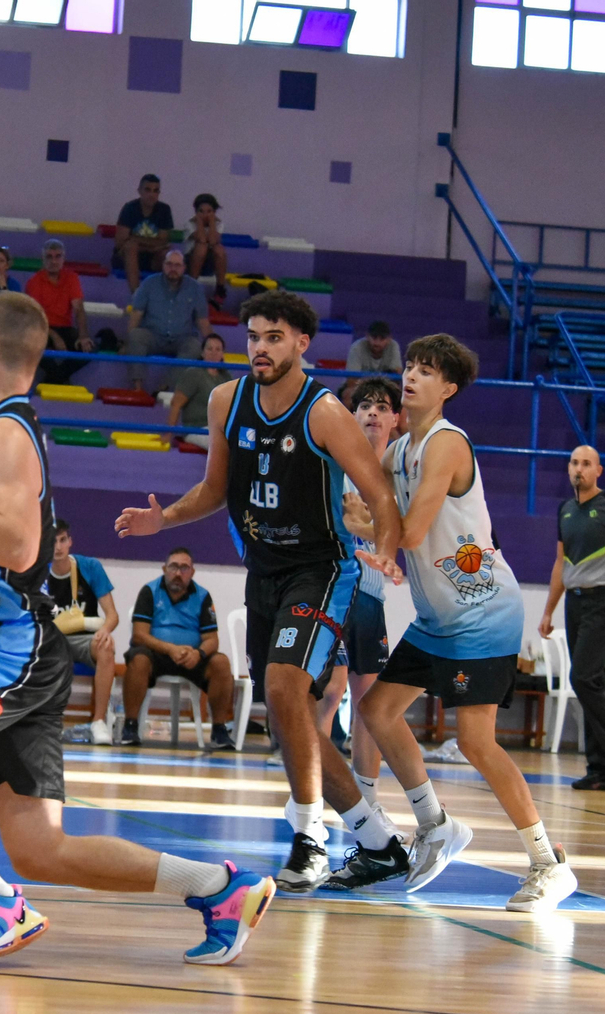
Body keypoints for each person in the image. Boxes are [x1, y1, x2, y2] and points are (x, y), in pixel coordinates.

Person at [0, 291, 276, 967]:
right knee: (42, 849)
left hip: (0, 647)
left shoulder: (1, 435)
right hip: (11, 645)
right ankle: (220, 888)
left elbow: (14, 545)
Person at [115, 289, 404, 895]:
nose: (260, 348)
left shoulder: (325, 413)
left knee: (280, 688)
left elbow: (378, 489)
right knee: (287, 713)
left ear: (302, 343)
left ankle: (310, 840)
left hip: (323, 568)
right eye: (253, 337)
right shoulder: (226, 399)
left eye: (273, 337)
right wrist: (162, 519)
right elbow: (214, 488)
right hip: (265, 569)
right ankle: (378, 842)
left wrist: (388, 544)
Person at [336, 335, 578, 911]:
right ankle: (435, 824)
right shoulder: (400, 451)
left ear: (448, 389)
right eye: (410, 366)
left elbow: (411, 531)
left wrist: (370, 531)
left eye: (426, 371)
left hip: (483, 613)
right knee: (375, 710)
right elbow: (369, 493)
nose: (412, 376)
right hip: (438, 616)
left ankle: (548, 862)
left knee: (475, 740)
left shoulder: (445, 444)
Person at [539, 445, 605, 792]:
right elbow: (559, 564)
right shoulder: (565, 509)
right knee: (591, 682)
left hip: (604, 601)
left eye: (586, 464)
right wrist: (548, 610)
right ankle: (600, 767)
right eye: (574, 462)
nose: (578, 469)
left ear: (598, 471)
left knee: (582, 677)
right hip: (575, 603)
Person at [329, 378, 401, 818]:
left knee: (370, 704)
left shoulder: (402, 476)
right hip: (333, 593)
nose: (373, 412)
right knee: (328, 692)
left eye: (382, 406)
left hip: (372, 602)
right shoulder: (336, 465)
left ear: (396, 419)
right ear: (352, 416)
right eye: (365, 406)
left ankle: (367, 800)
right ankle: (312, 798)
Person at [117, 548, 234, 750]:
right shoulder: (149, 591)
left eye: (184, 568)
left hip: (192, 657)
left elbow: (212, 640)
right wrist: (170, 649)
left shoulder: (203, 596)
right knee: (138, 660)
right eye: (173, 567)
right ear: (164, 569)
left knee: (221, 663)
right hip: (157, 655)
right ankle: (130, 726)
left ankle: (219, 730)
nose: (178, 573)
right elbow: (139, 635)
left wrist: (199, 654)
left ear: (192, 572)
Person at [49, 518, 120, 745]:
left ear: (70, 542)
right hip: (49, 641)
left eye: (62, 540)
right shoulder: (35, 572)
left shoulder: (89, 567)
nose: (58, 547)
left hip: (83, 640)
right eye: (52, 541)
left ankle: (98, 722)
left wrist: (105, 630)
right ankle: (46, 722)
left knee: (106, 647)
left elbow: (112, 616)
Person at [121, 249, 211, 391]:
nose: (173, 268)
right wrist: (127, 343)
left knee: (195, 346)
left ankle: (164, 388)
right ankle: (138, 388)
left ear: (183, 268)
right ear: (163, 265)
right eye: (169, 264)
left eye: (177, 265)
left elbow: (202, 320)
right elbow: (136, 314)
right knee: (136, 336)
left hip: (182, 338)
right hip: (153, 336)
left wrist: (212, 346)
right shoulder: (149, 284)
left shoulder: (195, 288)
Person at [24, 239, 94, 386]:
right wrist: (55, 337)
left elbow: (79, 309)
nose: (54, 261)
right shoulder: (34, 281)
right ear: (43, 259)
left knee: (90, 349)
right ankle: (61, 379)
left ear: (63, 258)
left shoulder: (72, 278)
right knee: (29, 346)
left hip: (65, 328)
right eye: (49, 256)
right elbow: (35, 317)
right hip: (42, 327)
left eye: (58, 256)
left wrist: (83, 336)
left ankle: (54, 379)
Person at [167, 333, 231, 447]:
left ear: (222, 354)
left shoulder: (226, 376)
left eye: (218, 349)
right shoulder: (194, 373)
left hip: (222, 428)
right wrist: (168, 434)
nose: (213, 352)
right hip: (197, 429)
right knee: (222, 445)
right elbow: (176, 404)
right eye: (209, 349)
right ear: (202, 353)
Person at [113, 174, 175, 293]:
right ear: (139, 191)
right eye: (147, 190)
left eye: (156, 191)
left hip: (152, 258)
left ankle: (167, 297)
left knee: (167, 253)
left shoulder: (164, 210)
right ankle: (136, 296)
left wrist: (135, 239)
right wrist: (151, 246)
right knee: (131, 247)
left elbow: (163, 241)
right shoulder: (129, 208)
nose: (152, 194)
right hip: (125, 258)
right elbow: (120, 242)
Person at [183, 194, 229, 303]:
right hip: (191, 262)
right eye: (201, 211)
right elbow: (202, 239)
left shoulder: (218, 224)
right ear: (196, 211)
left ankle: (220, 289)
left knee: (219, 249)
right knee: (201, 247)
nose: (205, 215)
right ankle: (191, 286)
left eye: (209, 211)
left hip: (209, 263)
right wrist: (199, 222)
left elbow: (213, 241)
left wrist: (212, 222)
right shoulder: (189, 224)